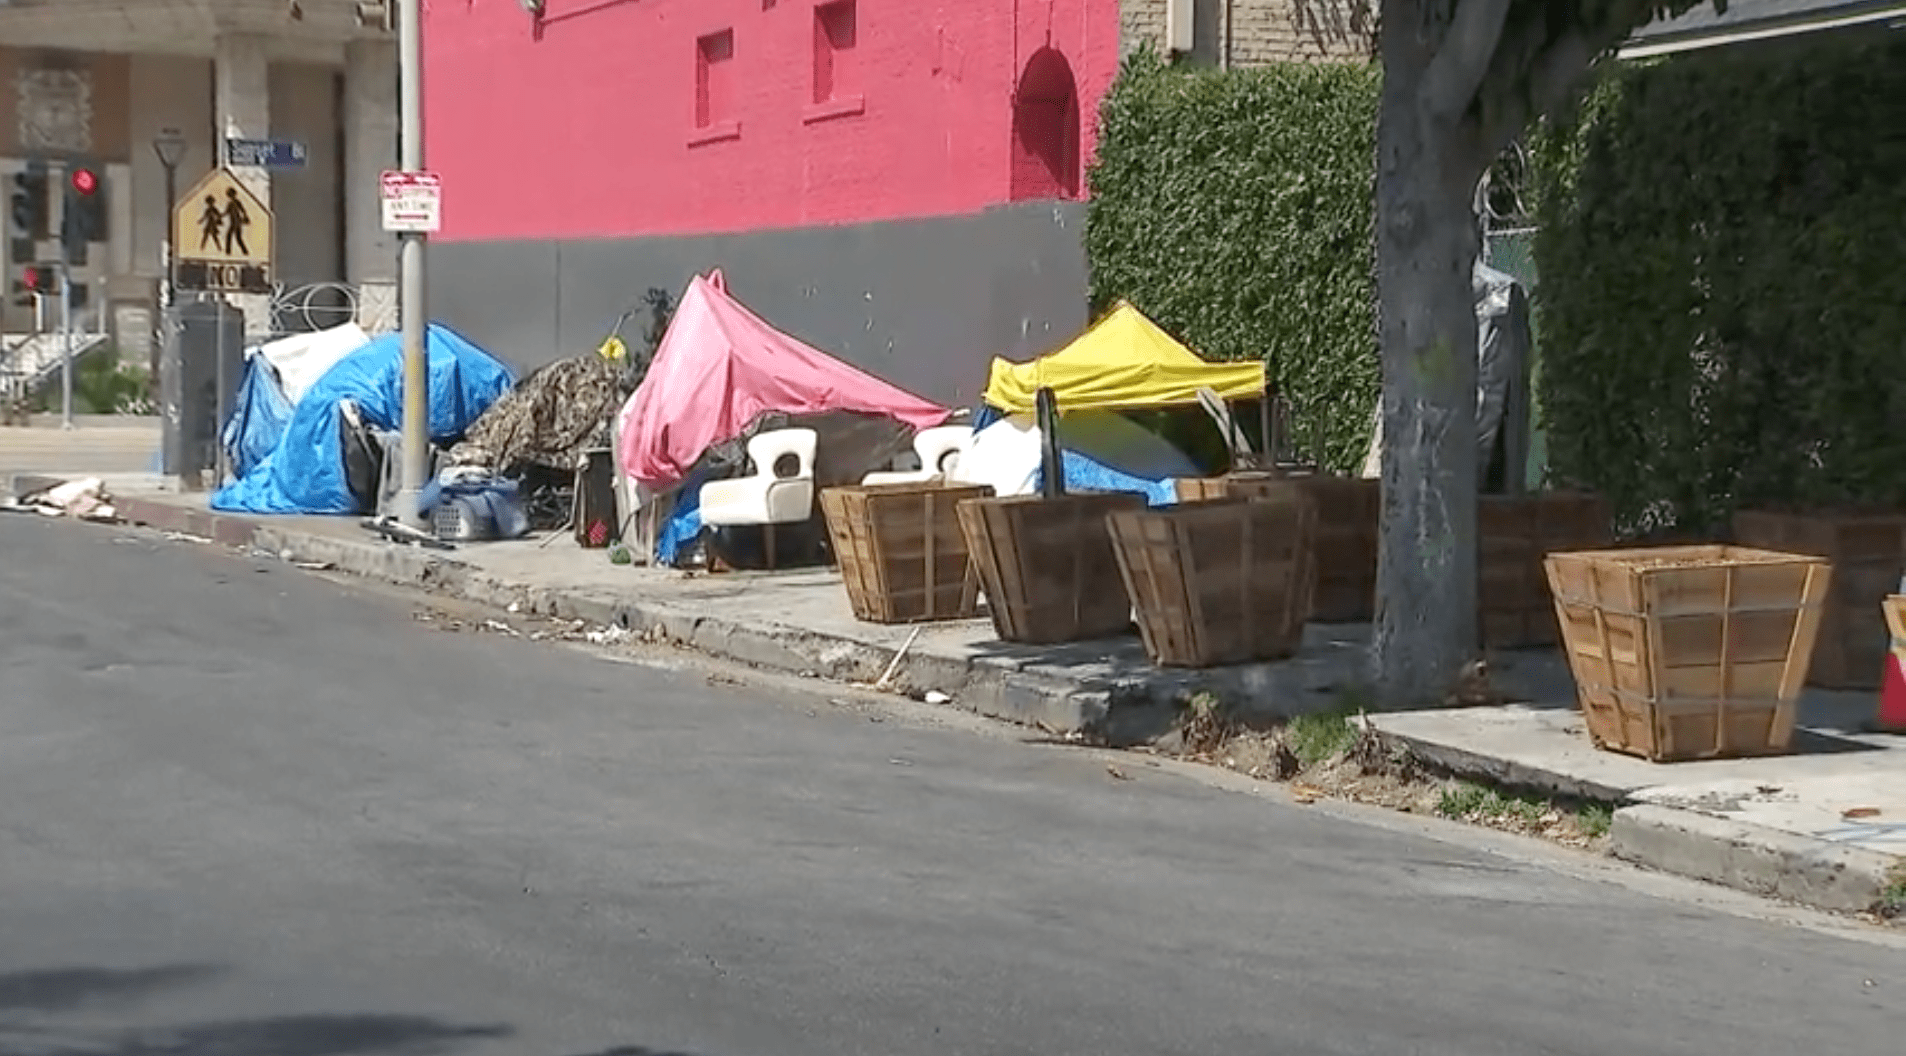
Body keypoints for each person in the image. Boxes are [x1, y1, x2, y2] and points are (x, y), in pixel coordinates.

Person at [222, 188, 251, 256]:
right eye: (229, 194)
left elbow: (243, 210)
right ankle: (228, 252)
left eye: (231, 194)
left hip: (237, 222)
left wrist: (245, 217)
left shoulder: (237, 202)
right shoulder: (229, 203)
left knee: (238, 238)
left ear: (234, 194)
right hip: (232, 223)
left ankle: (245, 252)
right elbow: (226, 212)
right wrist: (220, 216)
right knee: (229, 236)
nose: (231, 196)